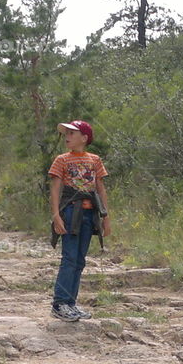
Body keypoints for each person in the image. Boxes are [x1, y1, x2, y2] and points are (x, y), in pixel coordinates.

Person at [47, 120, 111, 321]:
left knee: (79, 260)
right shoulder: (61, 160)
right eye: (66, 133)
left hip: (88, 213)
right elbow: (56, 189)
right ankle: (60, 303)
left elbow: (100, 188)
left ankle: (70, 303)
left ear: (84, 138)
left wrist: (105, 217)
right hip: (70, 213)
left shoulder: (95, 160)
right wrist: (56, 215)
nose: (67, 136)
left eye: (72, 133)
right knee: (69, 258)